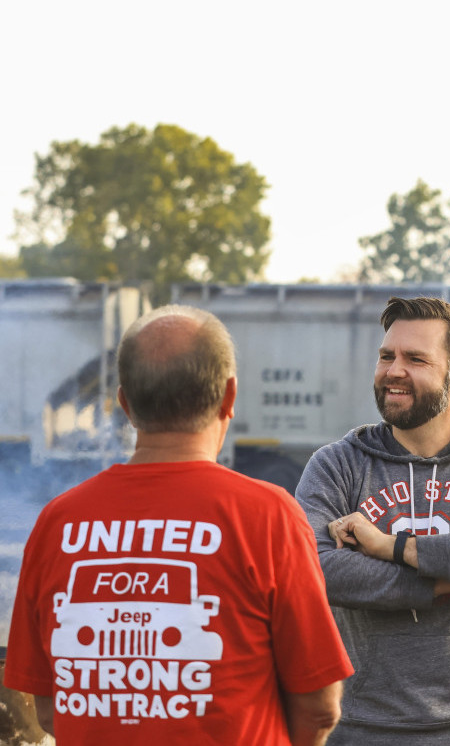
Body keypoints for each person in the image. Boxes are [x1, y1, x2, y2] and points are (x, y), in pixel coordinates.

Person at [3, 305, 354, 745]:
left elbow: (50, 709)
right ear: (229, 396)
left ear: (125, 404)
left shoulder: (57, 523)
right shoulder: (268, 517)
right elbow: (319, 707)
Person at [296, 296, 450, 745]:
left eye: (415, 359)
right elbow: (316, 571)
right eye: (386, 356)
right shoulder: (336, 466)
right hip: (357, 729)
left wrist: (389, 546)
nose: (394, 370)